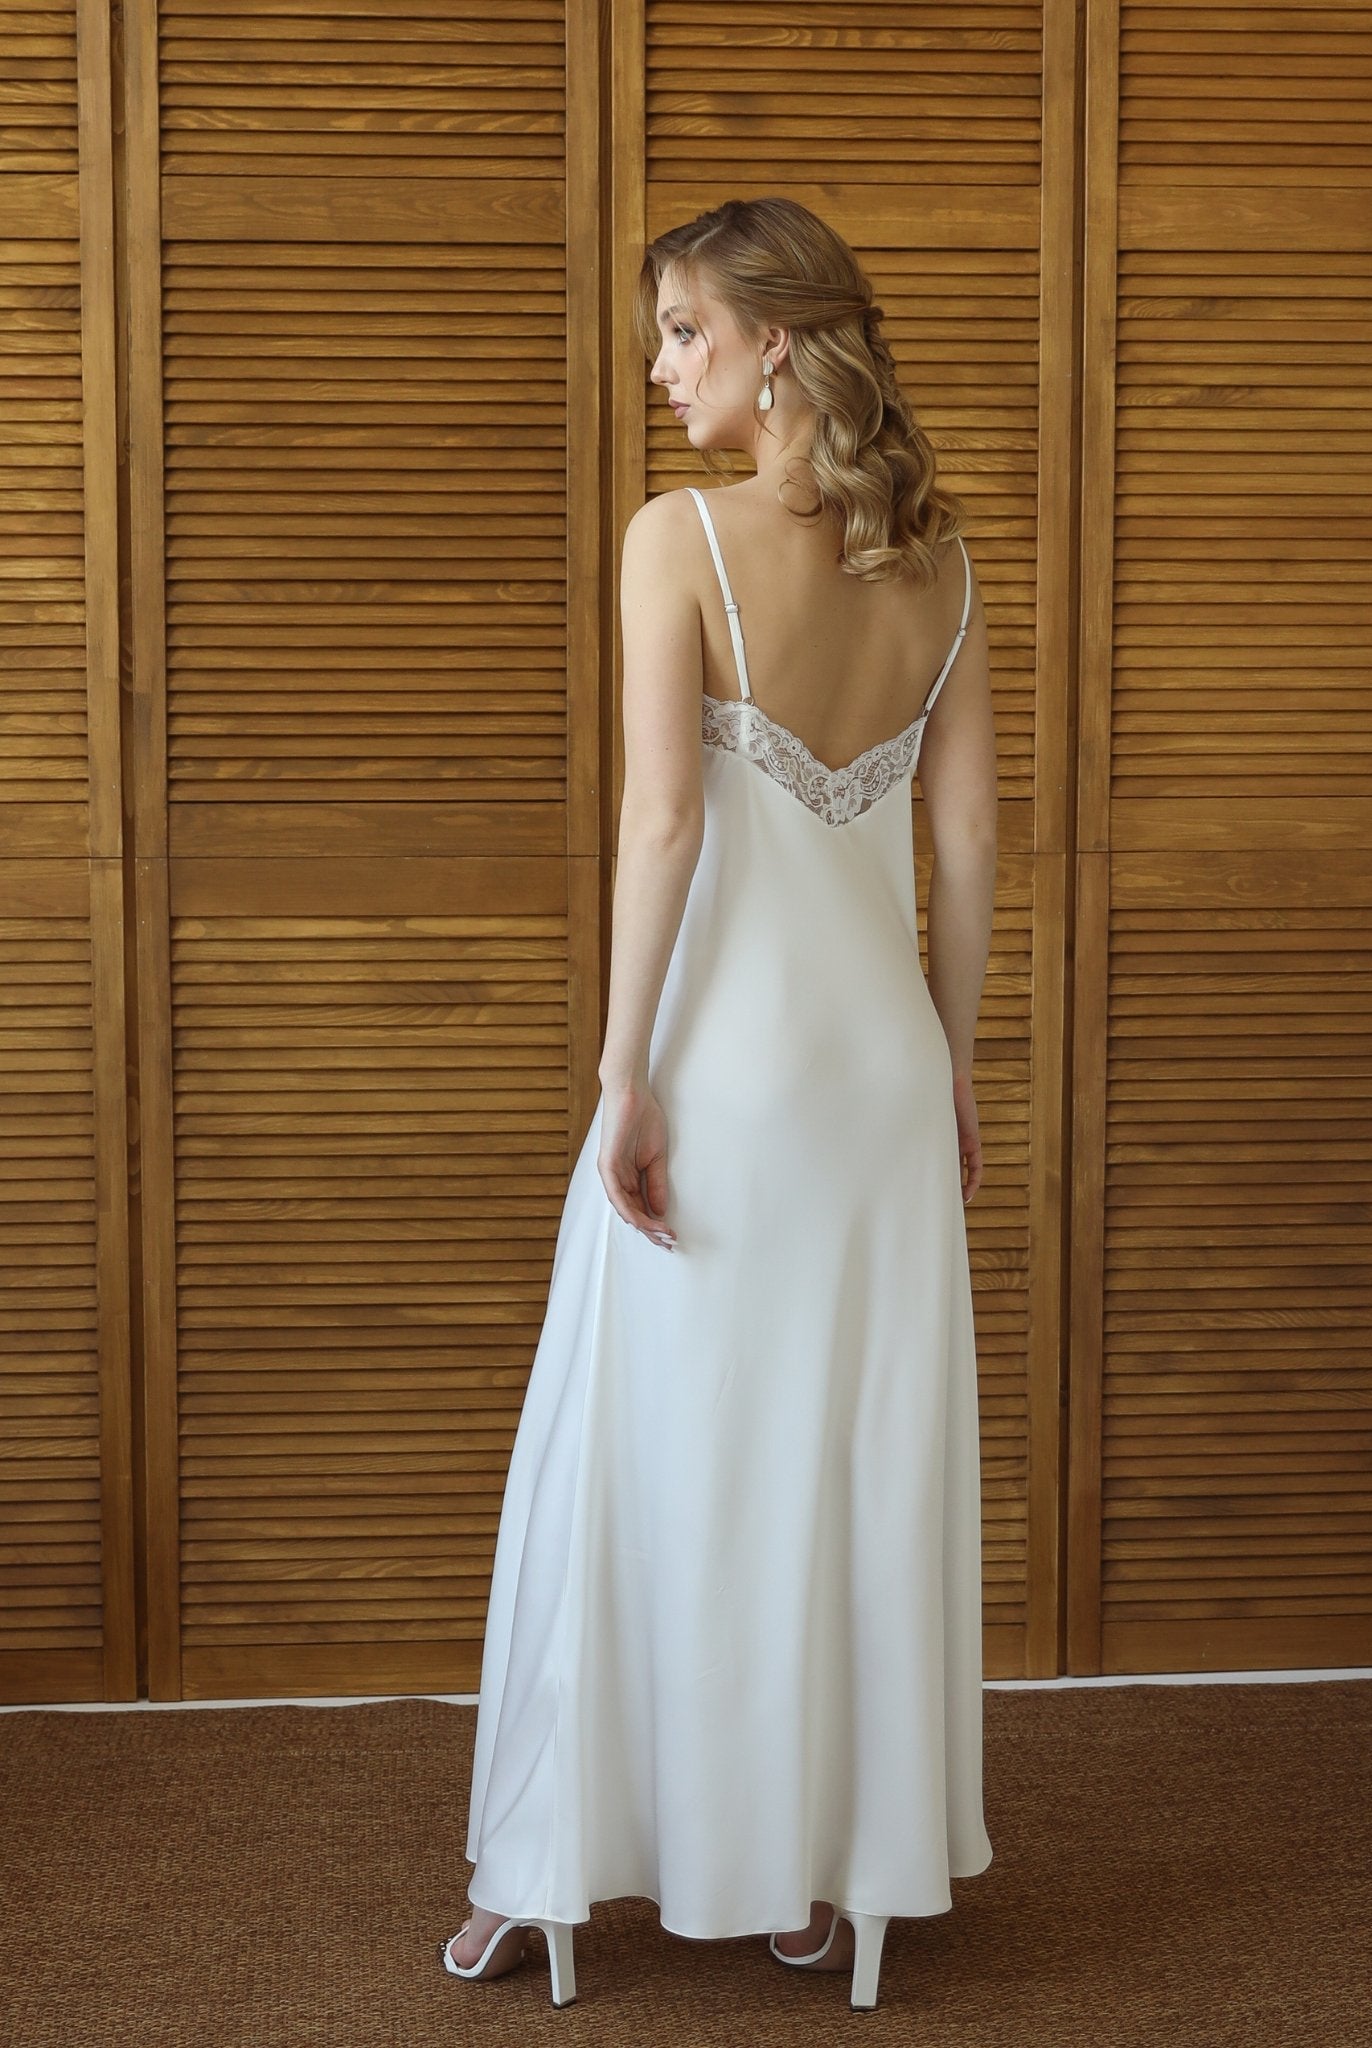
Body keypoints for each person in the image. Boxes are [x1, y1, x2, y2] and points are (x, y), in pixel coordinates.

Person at [440, 195, 997, 2012]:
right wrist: (962, 1064)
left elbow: (665, 824)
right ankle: (812, 1876)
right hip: (887, 1081)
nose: (661, 366)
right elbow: (973, 844)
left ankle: (555, 1868)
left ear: (775, 338)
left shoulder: (674, 536)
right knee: (838, 1470)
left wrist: (622, 1075)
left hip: (730, 1076)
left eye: (682, 329)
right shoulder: (946, 560)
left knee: (641, 1459)